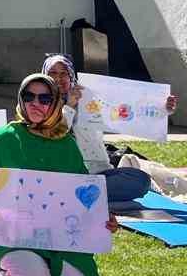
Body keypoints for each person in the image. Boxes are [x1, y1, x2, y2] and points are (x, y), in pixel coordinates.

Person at [0, 73, 120, 276]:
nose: (35, 104)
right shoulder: (1, 140)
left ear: (56, 103)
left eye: (45, 99)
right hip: (14, 236)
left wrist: (102, 217)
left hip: (61, 237)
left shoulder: (66, 144)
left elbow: (82, 191)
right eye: (29, 97)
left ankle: (46, 270)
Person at [45, 53, 175, 208]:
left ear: (71, 76)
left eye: (63, 73)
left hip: (99, 173)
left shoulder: (89, 100)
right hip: (66, 175)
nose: (58, 78)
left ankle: (84, 197)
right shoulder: (40, 105)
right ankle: (86, 196)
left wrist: (161, 107)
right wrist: (69, 107)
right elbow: (55, 135)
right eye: (52, 73)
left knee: (141, 180)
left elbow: (128, 107)